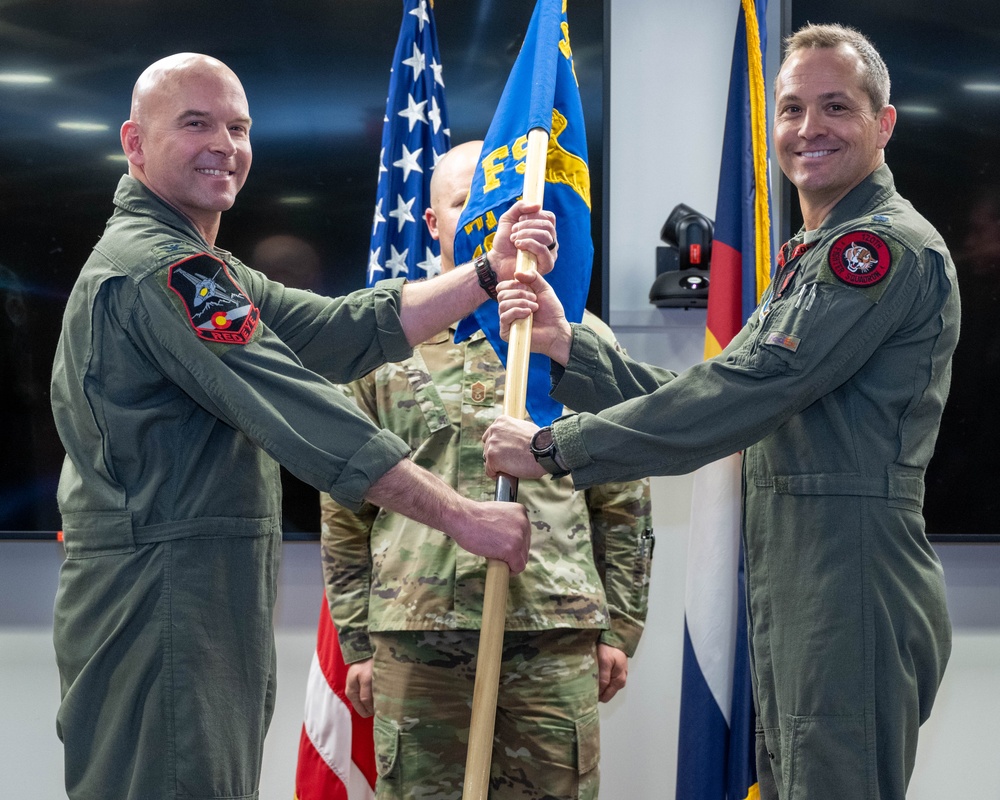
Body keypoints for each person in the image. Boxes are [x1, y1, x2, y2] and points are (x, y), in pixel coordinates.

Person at [48, 53, 557, 800]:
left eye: (238, 125)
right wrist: (460, 516)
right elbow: (302, 411)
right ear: (134, 143)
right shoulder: (162, 272)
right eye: (196, 123)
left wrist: (485, 271)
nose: (224, 143)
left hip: (198, 597)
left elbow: (337, 330)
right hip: (162, 602)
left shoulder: (200, 263)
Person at [482, 24, 959, 800]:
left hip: (850, 578)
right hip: (804, 573)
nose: (809, 129)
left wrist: (553, 446)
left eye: (835, 107)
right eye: (793, 108)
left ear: (884, 123)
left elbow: (744, 394)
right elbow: (731, 394)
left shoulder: (874, 251)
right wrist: (572, 350)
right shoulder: (815, 249)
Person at [319, 140, 653, 800]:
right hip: (419, 636)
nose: (480, 219)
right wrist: (356, 641)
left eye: (493, 207)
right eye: (461, 204)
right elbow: (345, 502)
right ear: (432, 223)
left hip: (550, 636)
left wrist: (620, 627)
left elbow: (623, 501)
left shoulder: (574, 339)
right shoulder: (385, 347)